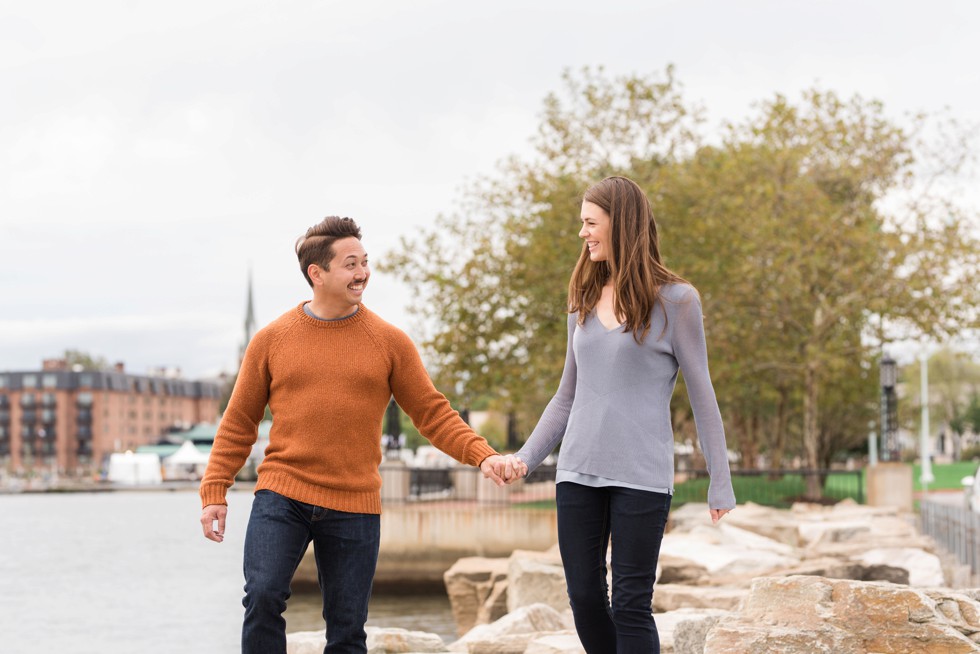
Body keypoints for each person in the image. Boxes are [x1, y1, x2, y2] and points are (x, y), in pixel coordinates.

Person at [199, 216, 518, 654]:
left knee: (347, 629)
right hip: (282, 494)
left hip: (354, 502)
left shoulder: (389, 342)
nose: (363, 273)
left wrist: (483, 455)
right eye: (351, 264)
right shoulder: (271, 340)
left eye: (365, 262)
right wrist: (215, 489)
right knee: (263, 596)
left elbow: (432, 413)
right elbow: (238, 423)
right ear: (318, 273)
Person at [503, 176, 736, 654]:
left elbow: (702, 394)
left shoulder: (678, 302)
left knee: (631, 604)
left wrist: (720, 478)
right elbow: (567, 395)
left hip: (642, 478)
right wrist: (526, 458)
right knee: (585, 597)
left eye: (590, 223)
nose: (583, 233)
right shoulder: (583, 301)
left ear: (620, 223)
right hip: (576, 473)